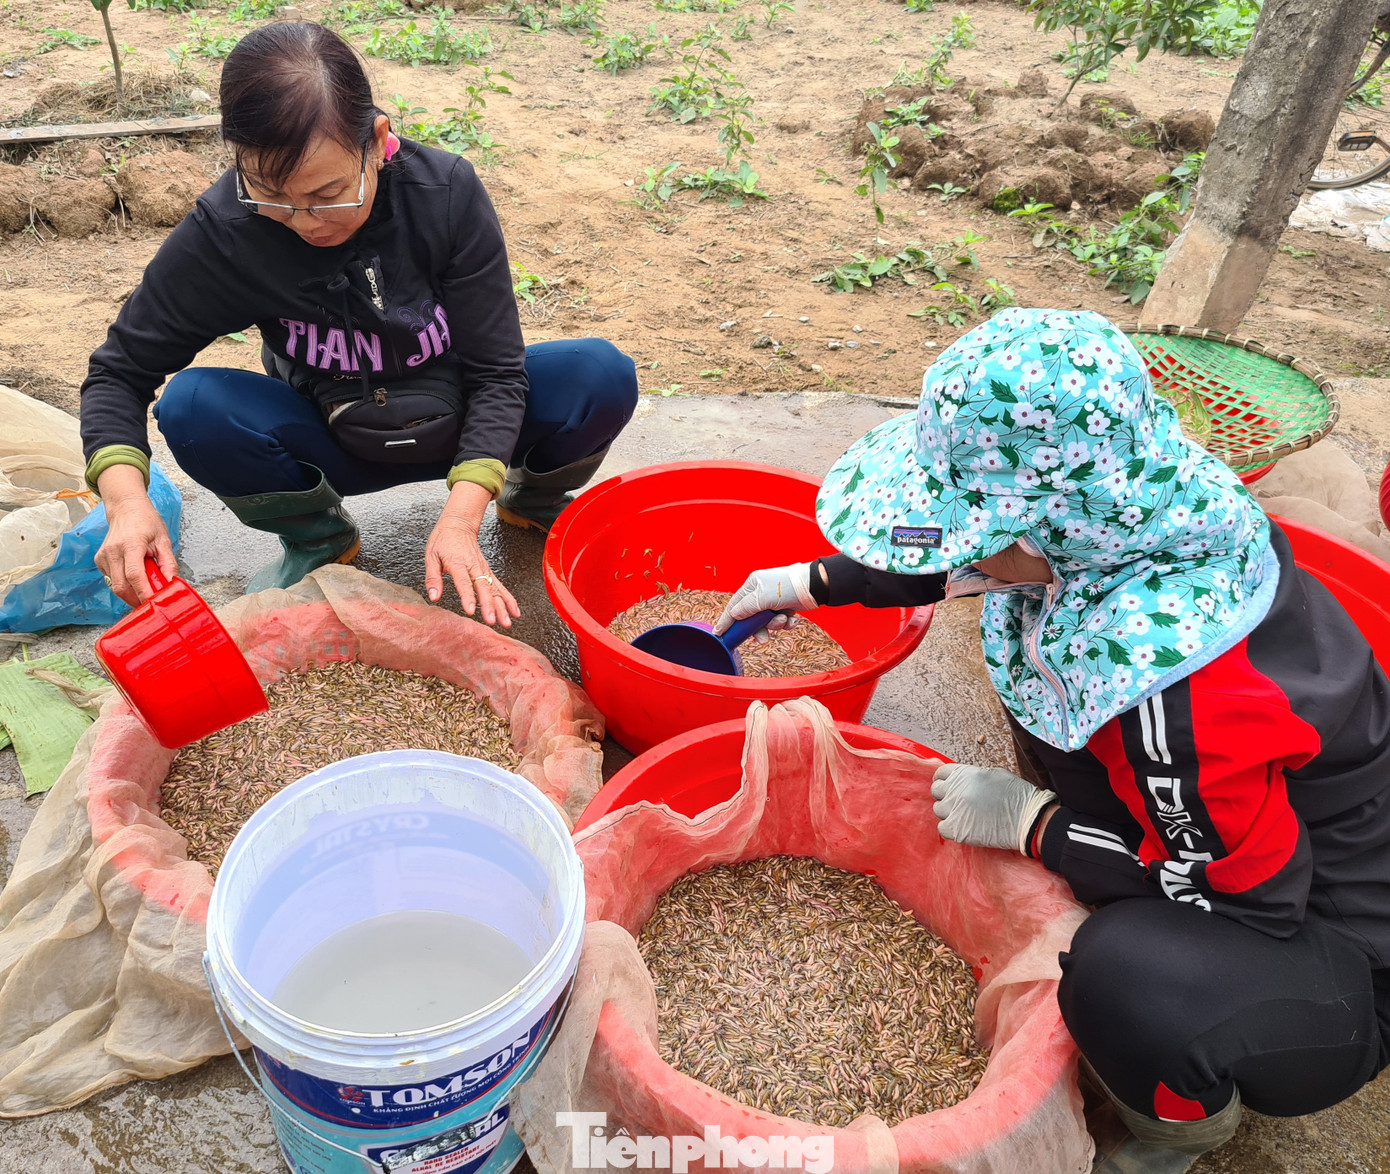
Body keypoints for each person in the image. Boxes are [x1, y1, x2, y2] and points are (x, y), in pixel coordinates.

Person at [717, 308, 1390, 1156]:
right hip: (1226, 830)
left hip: (1322, 949)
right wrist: (814, 582)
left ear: (1053, 531)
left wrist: (1038, 826)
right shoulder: (1135, 514)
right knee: (1050, 712)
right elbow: (964, 556)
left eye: (983, 535)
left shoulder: (1178, 704)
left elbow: (1244, 907)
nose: (967, 556)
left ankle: (1172, 1132)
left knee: (1125, 979)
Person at [79, 22, 638, 626]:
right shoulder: (227, 232)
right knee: (193, 408)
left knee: (600, 375)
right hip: (332, 436)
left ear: (376, 140)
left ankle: (529, 497)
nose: (304, 222)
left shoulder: (444, 193)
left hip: (463, 426)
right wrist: (127, 502)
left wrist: (462, 514)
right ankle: (318, 537)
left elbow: (498, 371)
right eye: (272, 195)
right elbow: (119, 372)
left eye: (328, 193)